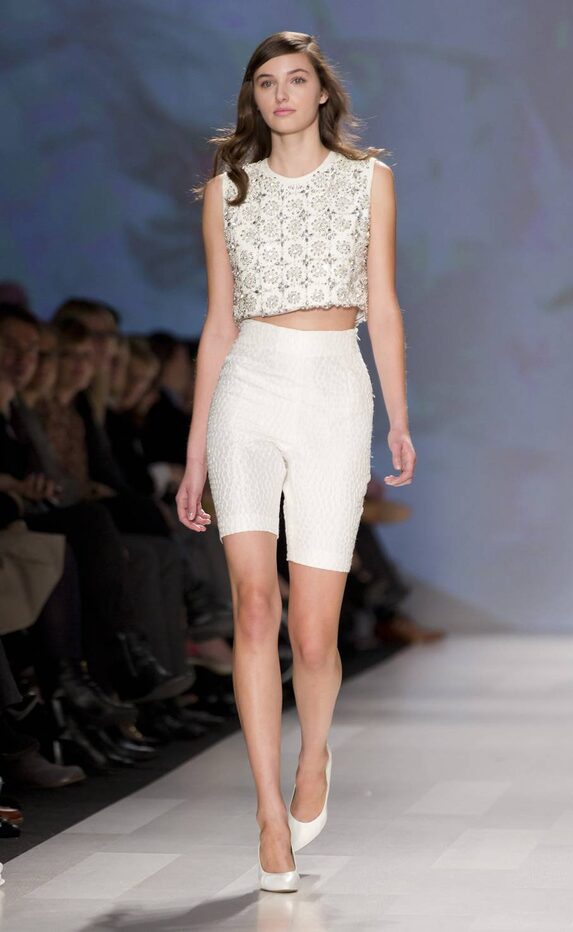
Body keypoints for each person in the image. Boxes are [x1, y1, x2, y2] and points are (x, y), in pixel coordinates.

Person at [176, 31, 416, 893]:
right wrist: (195, 451)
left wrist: (398, 417)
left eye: (297, 79)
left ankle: (314, 757)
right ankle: (267, 814)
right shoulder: (226, 191)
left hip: (335, 394)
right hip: (249, 387)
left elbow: (383, 302)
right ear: (254, 98)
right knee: (254, 606)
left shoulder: (367, 180)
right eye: (266, 82)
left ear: (322, 94)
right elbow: (217, 323)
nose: (281, 93)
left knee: (314, 634)